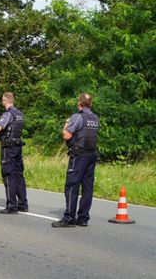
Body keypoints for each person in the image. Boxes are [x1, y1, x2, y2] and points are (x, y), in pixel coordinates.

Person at [52, 93, 100, 228]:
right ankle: (83, 218)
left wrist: (67, 123)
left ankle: (69, 218)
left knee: (72, 186)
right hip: (92, 155)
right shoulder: (95, 118)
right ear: (90, 104)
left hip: (79, 156)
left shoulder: (77, 116)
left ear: (79, 104)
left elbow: (66, 135)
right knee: (87, 187)